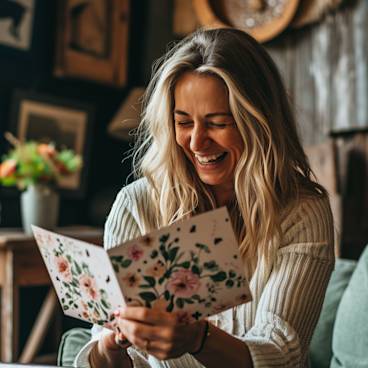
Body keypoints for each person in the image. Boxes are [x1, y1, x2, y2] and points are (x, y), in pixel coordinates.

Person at [75, 28, 334, 368]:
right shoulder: (137, 205)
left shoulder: (302, 212)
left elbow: (282, 354)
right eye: (183, 122)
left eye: (217, 123)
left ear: (259, 124)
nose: (197, 142)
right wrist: (113, 343)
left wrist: (197, 339)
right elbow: (116, 354)